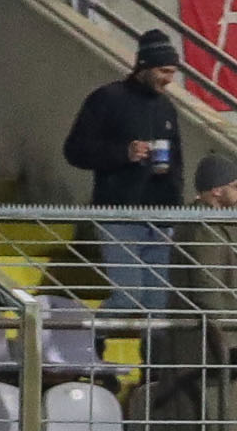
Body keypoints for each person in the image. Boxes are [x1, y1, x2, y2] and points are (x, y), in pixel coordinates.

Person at [68, 30, 186, 309]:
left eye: (172, 72)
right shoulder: (107, 99)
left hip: (159, 220)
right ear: (144, 66)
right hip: (118, 216)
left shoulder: (166, 107)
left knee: (157, 306)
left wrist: (174, 205)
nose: (169, 79)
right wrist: (124, 153)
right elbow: (74, 150)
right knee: (128, 298)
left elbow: (178, 162)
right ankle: (90, 338)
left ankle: (151, 354)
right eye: (163, 70)